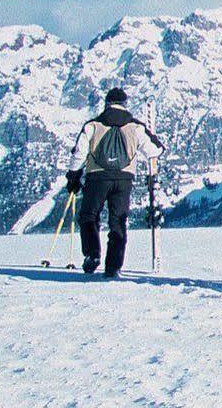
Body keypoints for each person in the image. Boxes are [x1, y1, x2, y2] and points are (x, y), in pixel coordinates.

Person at [65, 87, 161, 277]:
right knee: (118, 221)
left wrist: (73, 177)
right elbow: (155, 151)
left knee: (89, 216)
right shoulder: (135, 126)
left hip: (97, 177)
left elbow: (79, 154)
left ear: (107, 104)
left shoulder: (93, 125)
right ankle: (113, 267)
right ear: (125, 105)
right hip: (124, 178)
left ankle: (92, 254)